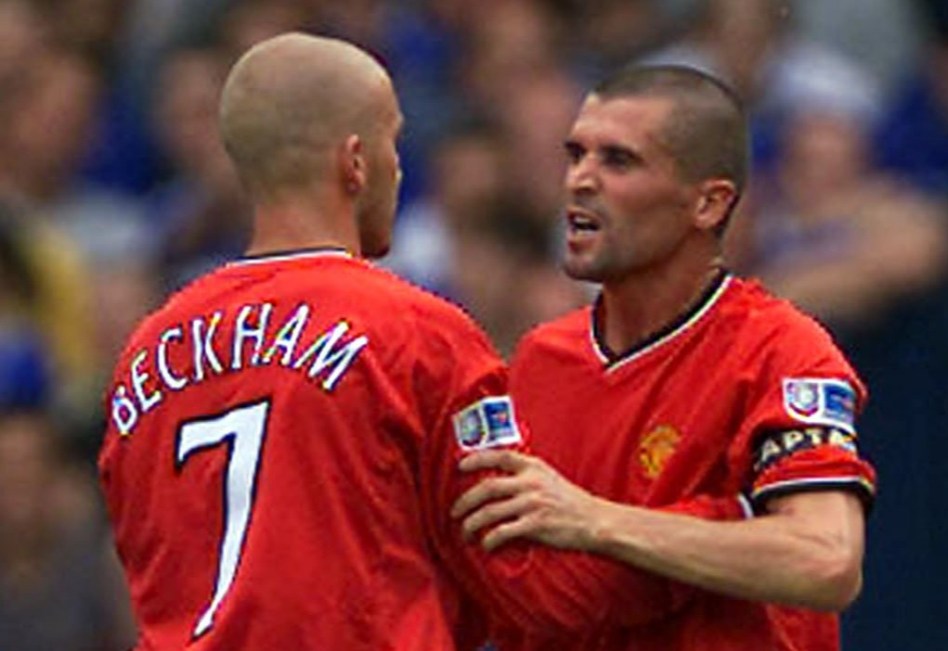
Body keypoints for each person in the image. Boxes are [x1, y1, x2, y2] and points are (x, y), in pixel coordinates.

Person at [99, 33, 758, 651]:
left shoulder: (145, 352)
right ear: (355, 162)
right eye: (393, 142)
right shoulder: (415, 333)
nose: (399, 166)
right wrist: (715, 528)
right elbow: (535, 589)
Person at [453, 64, 877, 650]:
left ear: (708, 204)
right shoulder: (539, 359)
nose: (580, 179)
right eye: (576, 155)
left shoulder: (779, 352)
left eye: (619, 161)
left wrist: (596, 521)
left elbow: (825, 560)